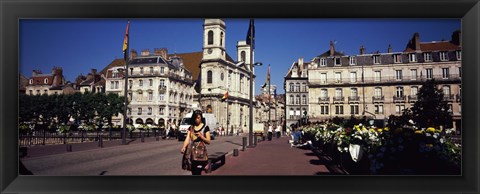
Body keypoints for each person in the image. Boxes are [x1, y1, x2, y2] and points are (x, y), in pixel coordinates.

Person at [180, 110, 211, 175]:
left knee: (198, 171)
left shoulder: (205, 127)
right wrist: (183, 147)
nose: (197, 120)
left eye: (198, 118)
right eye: (195, 118)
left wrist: (201, 137)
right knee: (193, 171)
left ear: (201, 118)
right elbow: (187, 139)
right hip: (191, 153)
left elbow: (208, 141)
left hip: (200, 153)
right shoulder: (191, 127)